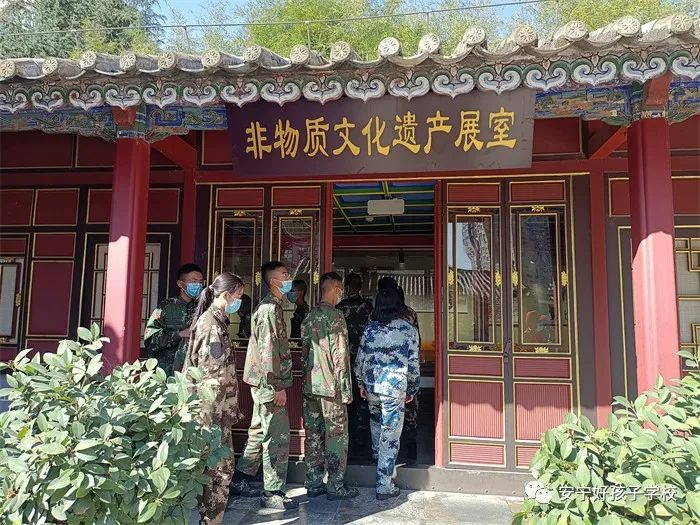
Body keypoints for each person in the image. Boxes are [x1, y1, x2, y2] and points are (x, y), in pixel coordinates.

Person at [231, 261, 298, 510]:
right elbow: (268, 350)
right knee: (276, 435)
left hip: (262, 381)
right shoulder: (269, 309)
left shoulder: (272, 306)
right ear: (273, 281)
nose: (289, 278)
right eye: (284, 274)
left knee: (259, 430)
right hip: (269, 382)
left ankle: (241, 477)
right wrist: (276, 386)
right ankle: (273, 491)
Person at [183, 272, 248, 524]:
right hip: (211, 415)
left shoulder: (217, 322)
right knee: (220, 471)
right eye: (238, 296)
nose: (239, 301)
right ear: (226, 295)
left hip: (215, 414)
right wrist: (215, 421)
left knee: (217, 470)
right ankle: (210, 519)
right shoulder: (212, 326)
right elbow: (213, 378)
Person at [355, 286, 420, 500]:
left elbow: (360, 360)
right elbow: (413, 363)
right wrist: (412, 388)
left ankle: (377, 454)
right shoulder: (408, 330)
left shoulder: (370, 330)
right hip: (394, 388)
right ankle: (384, 484)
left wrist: (361, 383)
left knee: (376, 420)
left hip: (372, 386)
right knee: (390, 434)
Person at [300, 272, 359, 501]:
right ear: (335, 289)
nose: (341, 293)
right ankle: (335, 484)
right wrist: (346, 390)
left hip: (311, 385)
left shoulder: (309, 316)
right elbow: (340, 355)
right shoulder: (336, 316)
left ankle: (314, 482)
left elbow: (305, 352)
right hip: (331, 387)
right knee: (336, 436)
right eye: (340, 289)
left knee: (313, 435)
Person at [377, 277, 421, 464]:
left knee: (380, 418)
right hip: (402, 375)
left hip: (379, 378)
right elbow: (416, 347)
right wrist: (414, 385)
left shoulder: (375, 316)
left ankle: (380, 455)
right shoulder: (409, 314)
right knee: (408, 413)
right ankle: (409, 449)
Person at [336, 273, 373, 458]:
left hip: (344, 361)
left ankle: (347, 440)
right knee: (363, 401)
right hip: (364, 361)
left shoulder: (340, 308)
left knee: (346, 400)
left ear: (347, 287)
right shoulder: (368, 307)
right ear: (360, 287)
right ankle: (362, 440)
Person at [144, 263, 204, 376]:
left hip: (194, 371)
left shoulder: (203, 308)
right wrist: (179, 334)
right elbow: (151, 340)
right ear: (181, 284)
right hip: (168, 371)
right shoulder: (166, 307)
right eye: (194, 281)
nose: (198, 285)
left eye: (201, 282)